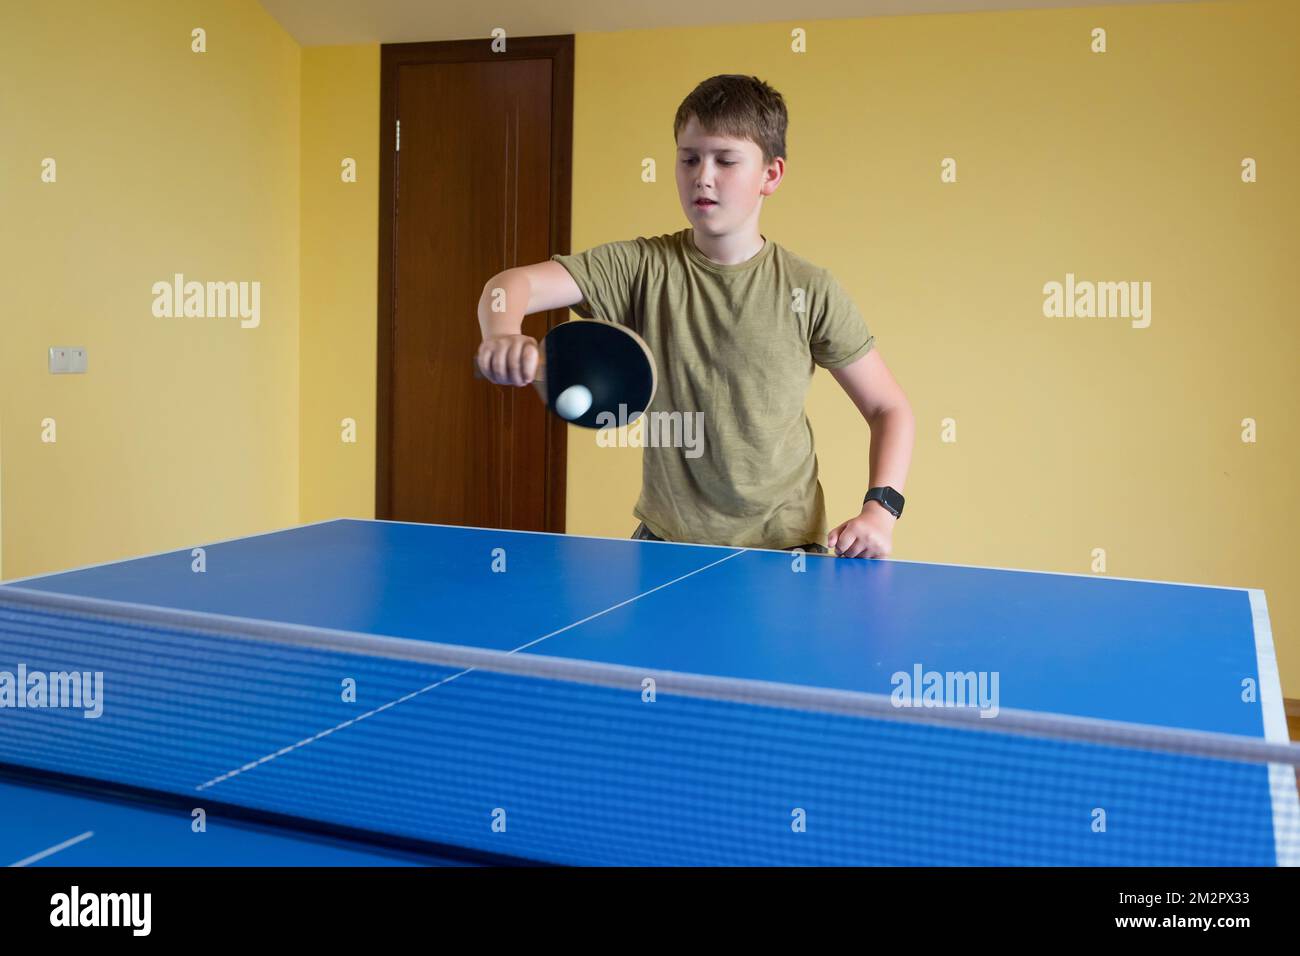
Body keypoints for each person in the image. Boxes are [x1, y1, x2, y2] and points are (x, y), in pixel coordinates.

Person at [476, 74, 914, 559]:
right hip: (667, 545)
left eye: (725, 160)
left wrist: (881, 509)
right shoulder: (640, 267)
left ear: (771, 175)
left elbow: (888, 409)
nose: (702, 176)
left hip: (786, 548)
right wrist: (501, 333)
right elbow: (509, 286)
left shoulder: (809, 289)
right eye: (688, 159)